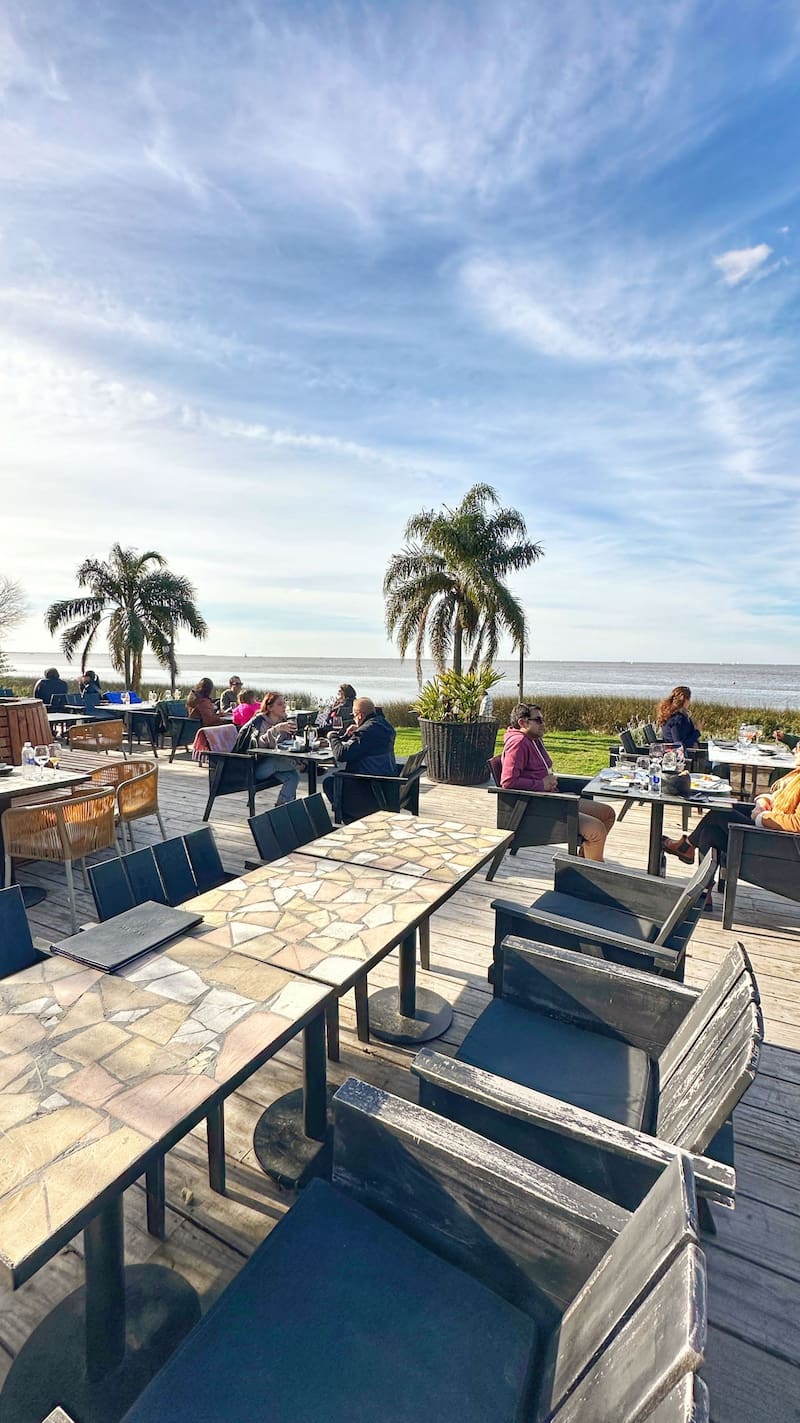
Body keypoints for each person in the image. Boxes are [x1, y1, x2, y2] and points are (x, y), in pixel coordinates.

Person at [663, 740, 800, 908]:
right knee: (711, 831)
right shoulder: (796, 775)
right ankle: (704, 889)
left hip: (774, 846)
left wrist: (762, 817)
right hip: (772, 835)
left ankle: (688, 847)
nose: (795, 749)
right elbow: (781, 798)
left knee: (720, 813)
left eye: (799, 746)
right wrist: (764, 801)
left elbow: (797, 823)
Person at [501, 703, 615, 862]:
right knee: (596, 831)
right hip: (539, 808)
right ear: (522, 723)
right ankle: (592, 876)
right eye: (538, 720)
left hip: (553, 798)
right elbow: (508, 781)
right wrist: (542, 785)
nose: (543, 724)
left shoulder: (533, 739)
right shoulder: (518, 743)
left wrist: (553, 787)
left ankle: (586, 861)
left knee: (608, 814)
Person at [322, 697, 397, 821]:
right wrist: (358, 730)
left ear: (360, 715)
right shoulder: (384, 725)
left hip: (369, 788)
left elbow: (341, 755)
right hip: (386, 784)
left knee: (330, 783)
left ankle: (349, 819)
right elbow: (370, 743)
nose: (353, 718)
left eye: (353, 715)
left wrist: (332, 736)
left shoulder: (366, 732)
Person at [242, 692, 301, 804]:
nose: (284, 706)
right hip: (255, 767)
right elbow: (258, 745)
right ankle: (302, 765)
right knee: (276, 761)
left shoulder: (283, 720)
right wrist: (276, 730)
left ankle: (281, 807)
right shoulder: (259, 722)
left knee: (293, 777)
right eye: (280, 704)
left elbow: (285, 743)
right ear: (269, 707)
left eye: (284, 704)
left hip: (276, 765)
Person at [656, 686, 702, 751]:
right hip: (676, 756)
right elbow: (679, 745)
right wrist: (697, 732)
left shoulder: (679, 716)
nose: (689, 702)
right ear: (685, 700)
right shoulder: (676, 719)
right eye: (689, 699)